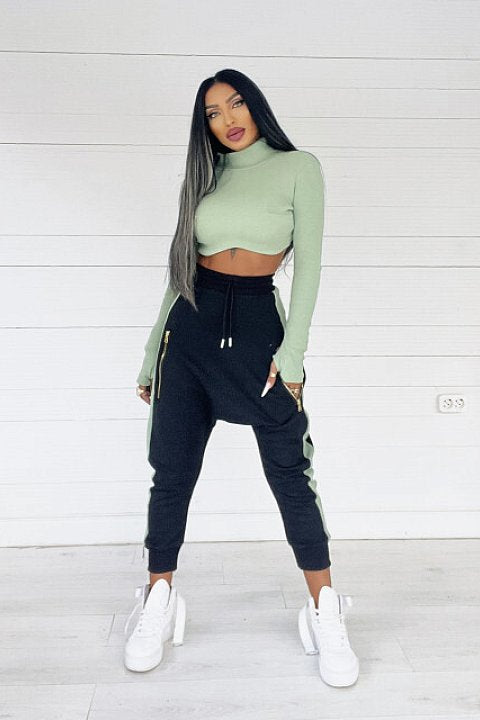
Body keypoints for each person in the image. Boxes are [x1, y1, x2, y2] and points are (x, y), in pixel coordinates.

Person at [124, 68, 359, 686]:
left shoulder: (298, 168)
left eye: (235, 105)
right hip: (190, 331)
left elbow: (310, 267)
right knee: (172, 471)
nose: (227, 120)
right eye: (213, 113)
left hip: (259, 333)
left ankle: (324, 607)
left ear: (255, 106)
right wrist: (151, 354)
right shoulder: (205, 177)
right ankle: (157, 597)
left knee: (290, 472)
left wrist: (293, 354)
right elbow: (180, 274)